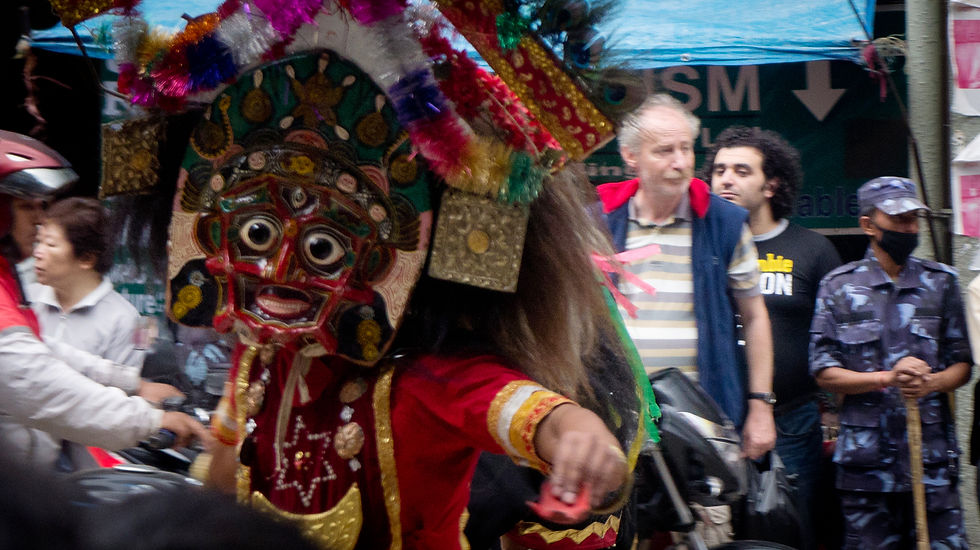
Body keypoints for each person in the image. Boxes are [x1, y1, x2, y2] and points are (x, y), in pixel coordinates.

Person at [0, 129, 209, 466]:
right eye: (26, 208)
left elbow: (45, 350)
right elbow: (38, 382)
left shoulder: (10, 281)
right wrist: (149, 420)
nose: (39, 223)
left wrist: (133, 385)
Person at [597, 94, 776, 458]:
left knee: (707, 516)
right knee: (616, 515)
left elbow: (755, 316)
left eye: (686, 148)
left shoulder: (723, 223)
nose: (680, 162)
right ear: (631, 156)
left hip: (703, 423)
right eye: (664, 151)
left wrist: (761, 405)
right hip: (617, 420)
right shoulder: (598, 222)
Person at [810, 176, 972, 550]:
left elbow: (962, 364)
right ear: (868, 225)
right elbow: (823, 371)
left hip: (931, 463)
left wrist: (931, 383)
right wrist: (887, 378)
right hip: (866, 470)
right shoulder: (838, 287)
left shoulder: (941, 282)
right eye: (898, 220)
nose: (909, 228)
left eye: (913, 219)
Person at [703, 126, 841, 548]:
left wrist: (834, 413)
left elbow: (838, 339)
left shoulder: (813, 249)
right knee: (718, 534)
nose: (726, 179)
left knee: (789, 530)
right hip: (712, 419)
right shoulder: (701, 248)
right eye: (720, 170)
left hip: (792, 422)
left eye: (742, 171)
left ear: (772, 183)